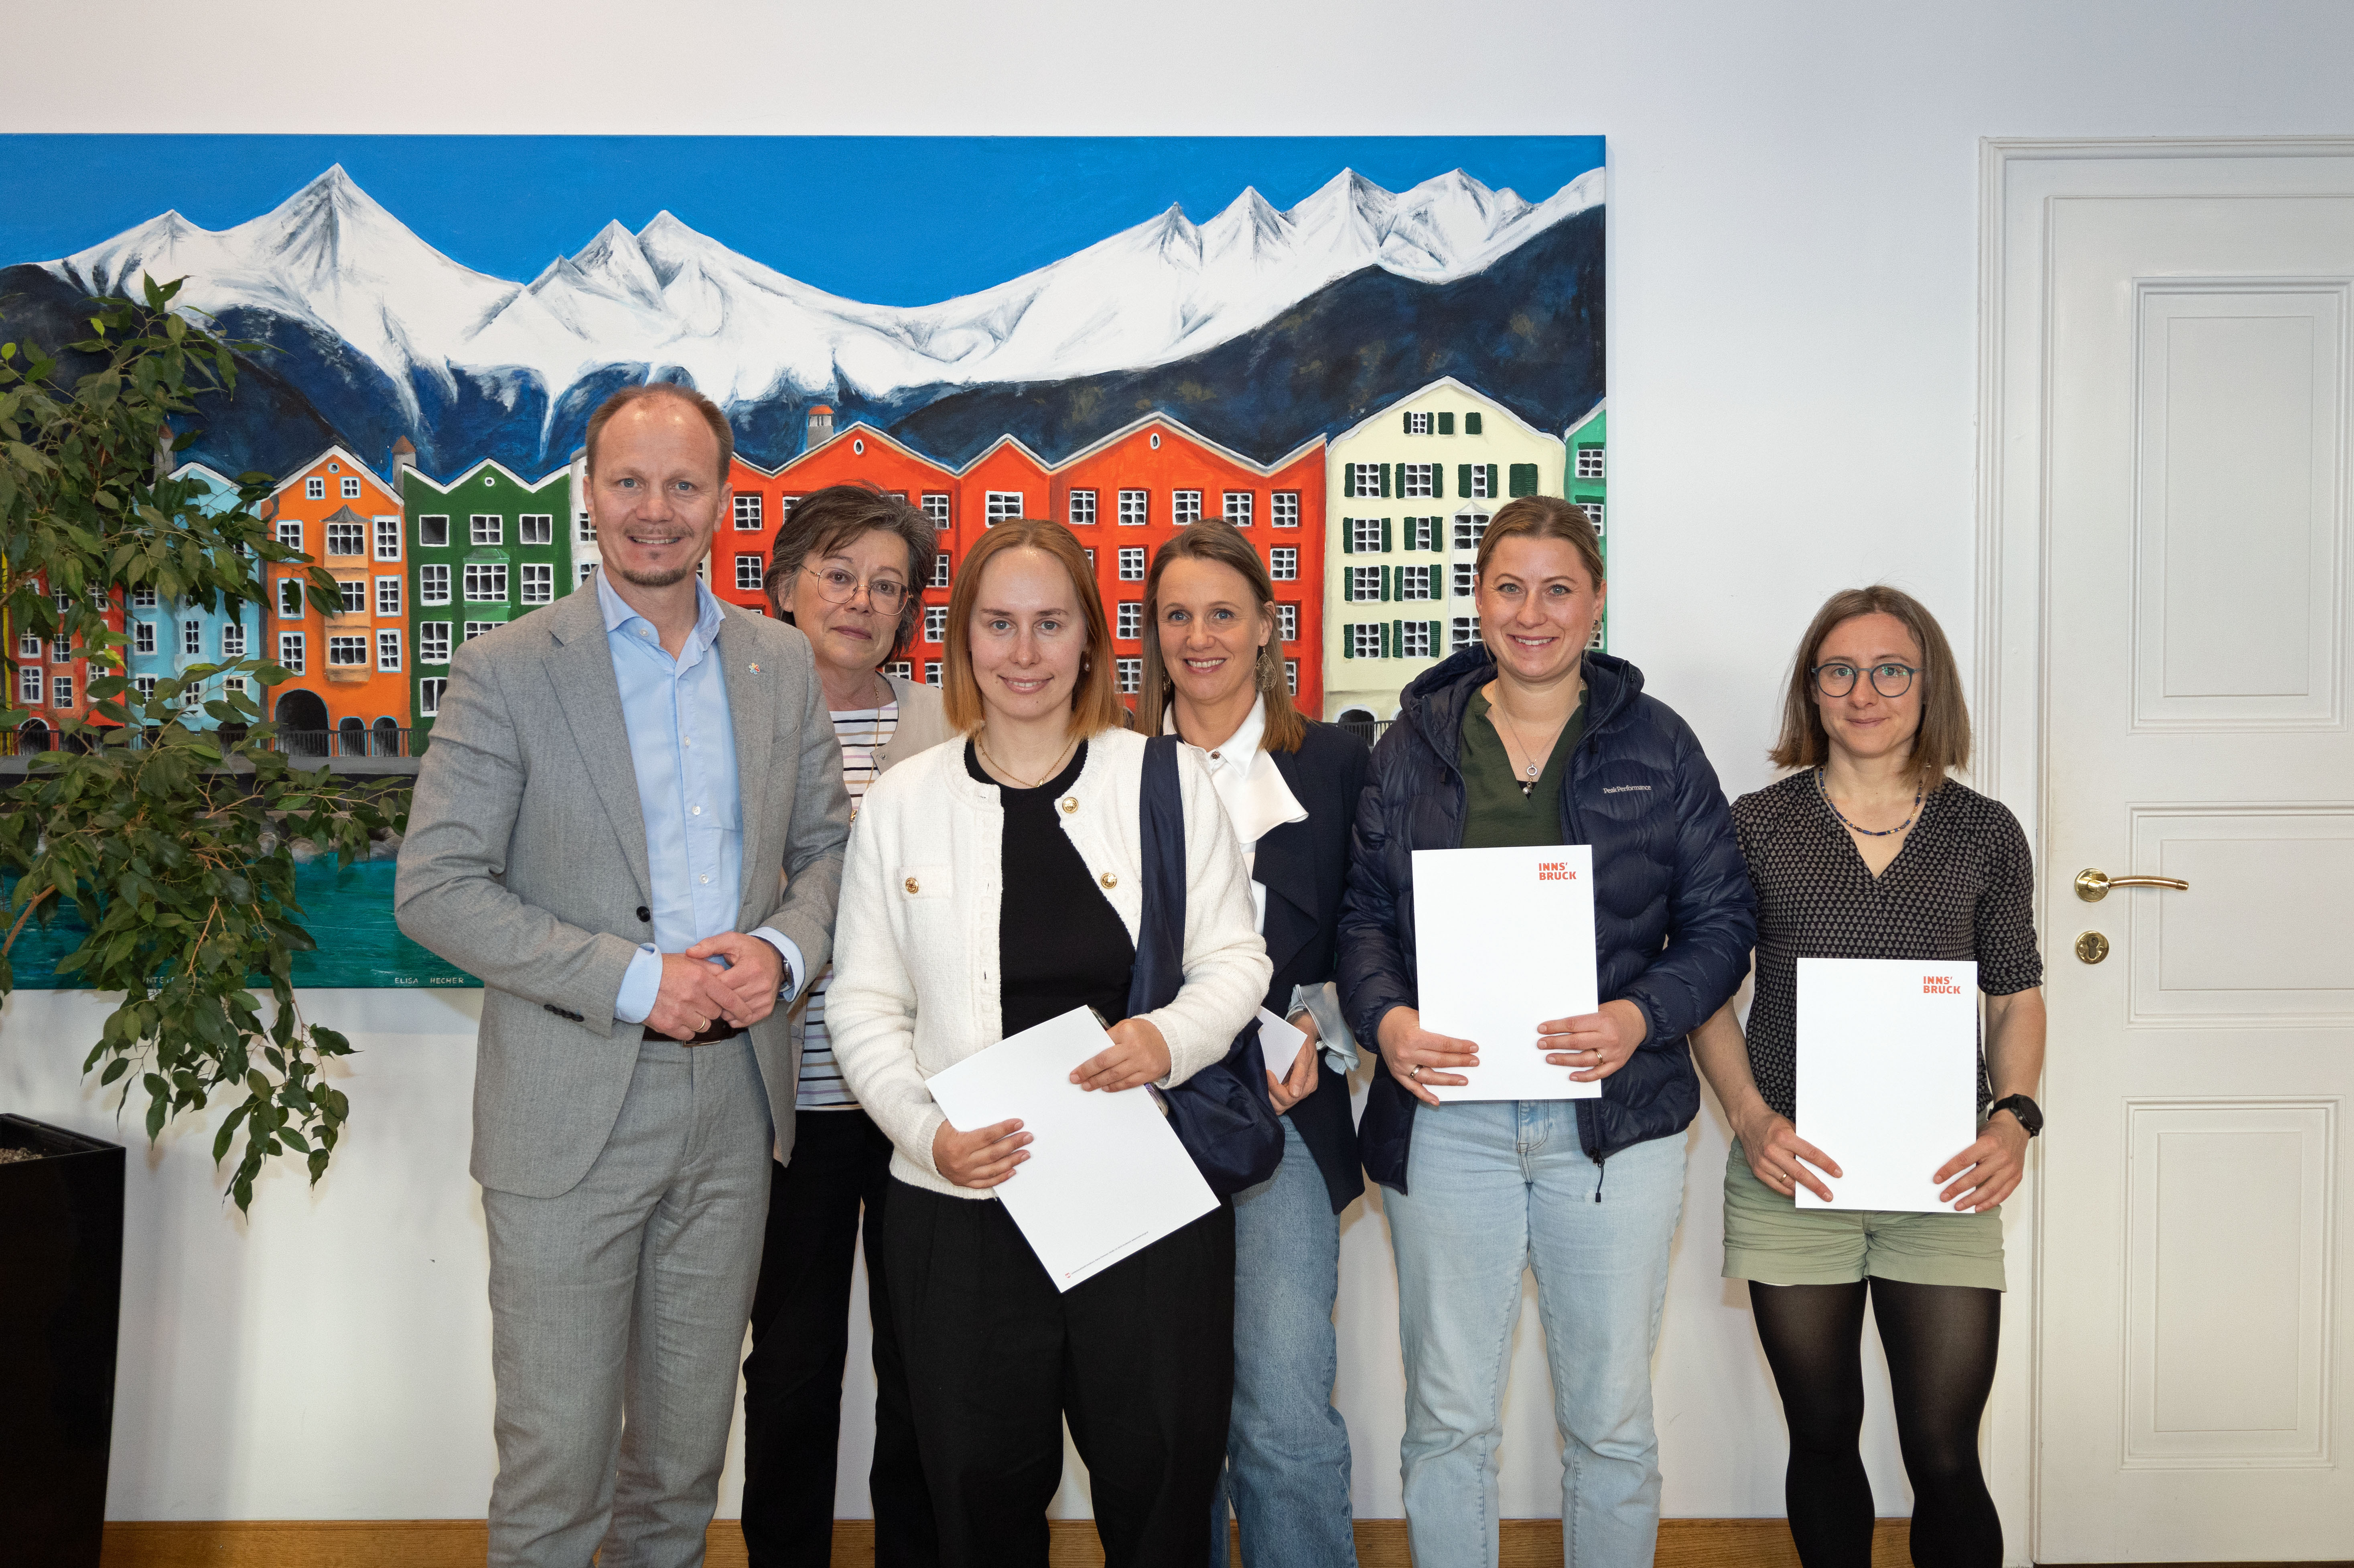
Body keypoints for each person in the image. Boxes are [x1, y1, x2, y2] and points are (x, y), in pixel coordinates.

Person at [395, 384, 851, 1568]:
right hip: (568, 1109)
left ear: (722, 499)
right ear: (589, 494)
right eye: (630, 482)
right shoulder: (508, 667)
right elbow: (436, 887)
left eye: (683, 484)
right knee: (557, 1464)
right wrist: (637, 979)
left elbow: (828, 852)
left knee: (682, 1467)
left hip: (736, 1114)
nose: (656, 510)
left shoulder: (779, 662)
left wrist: (785, 950)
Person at [826, 518, 1272, 1568]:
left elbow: (1234, 962)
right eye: (998, 624)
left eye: (1048, 623)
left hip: (1140, 1191)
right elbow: (863, 1003)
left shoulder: (1164, 779)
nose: (1022, 653)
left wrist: (1163, 1038)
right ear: (961, 639)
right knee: (976, 1493)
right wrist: (926, 1133)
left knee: (1159, 1479)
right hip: (960, 1205)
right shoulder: (902, 802)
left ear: (1088, 640)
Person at [1337, 495, 1755, 1568]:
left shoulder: (1659, 746)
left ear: (1595, 601)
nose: (1533, 612)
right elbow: (1363, 918)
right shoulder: (1407, 748)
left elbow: (1720, 921)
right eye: (1509, 587)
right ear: (1478, 597)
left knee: (1610, 1420)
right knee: (1446, 1420)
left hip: (1616, 1126)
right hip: (1445, 1122)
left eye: (1558, 588)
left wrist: (1641, 1013)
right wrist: (1383, 1018)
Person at [1688, 586, 2043, 1568]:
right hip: (1790, 1171)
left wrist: (2014, 1118)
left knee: (1943, 1452)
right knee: (1823, 1435)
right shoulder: (1753, 825)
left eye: (1892, 669)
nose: (1865, 691)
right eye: (1839, 670)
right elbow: (1706, 991)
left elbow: (2016, 995)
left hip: (1943, 1176)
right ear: (1813, 689)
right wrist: (1750, 1115)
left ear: (1930, 687)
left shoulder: (1985, 830)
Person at [1135, 521, 1369, 1568]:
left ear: (1266, 628)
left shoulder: (1338, 764)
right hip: (1137, 1127)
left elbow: (1379, 930)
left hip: (1282, 1120)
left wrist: (1324, 1021)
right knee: (1167, 1423)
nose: (1199, 635)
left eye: (1221, 611)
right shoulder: (1106, 767)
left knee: (1280, 1413)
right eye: (1176, 613)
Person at [739, 483, 951, 1566]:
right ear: (784, 585)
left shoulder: (941, 725)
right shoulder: (733, 729)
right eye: (838, 573)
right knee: (789, 1365)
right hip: (790, 1107)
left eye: (888, 584)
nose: (862, 600)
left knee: (925, 1364)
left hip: (919, 1104)